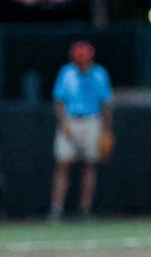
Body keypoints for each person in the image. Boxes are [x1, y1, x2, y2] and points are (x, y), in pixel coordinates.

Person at [48, 40, 114, 222]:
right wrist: (64, 125)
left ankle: (85, 210)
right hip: (70, 120)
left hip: (92, 120)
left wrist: (107, 130)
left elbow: (106, 103)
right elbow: (59, 101)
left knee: (89, 165)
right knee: (63, 164)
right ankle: (56, 210)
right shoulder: (67, 73)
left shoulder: (100, 74)